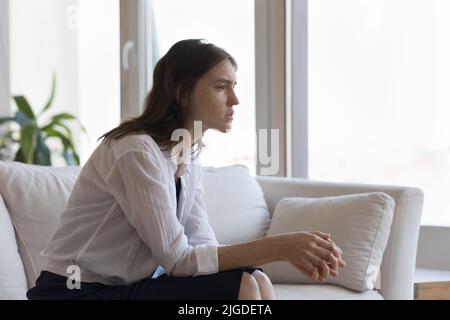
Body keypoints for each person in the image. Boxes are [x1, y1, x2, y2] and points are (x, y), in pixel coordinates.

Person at [26, 39, 346, 300]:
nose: (234, 100)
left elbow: (202, 247)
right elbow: (178, 260)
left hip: (121, 288)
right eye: (222, 87)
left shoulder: (187, 158)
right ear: (182, 93)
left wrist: (283, 252)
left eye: (233, 86)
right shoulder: (136, 151)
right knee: (243, 287)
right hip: (72, 292)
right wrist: (279, 247)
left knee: (255, 279)